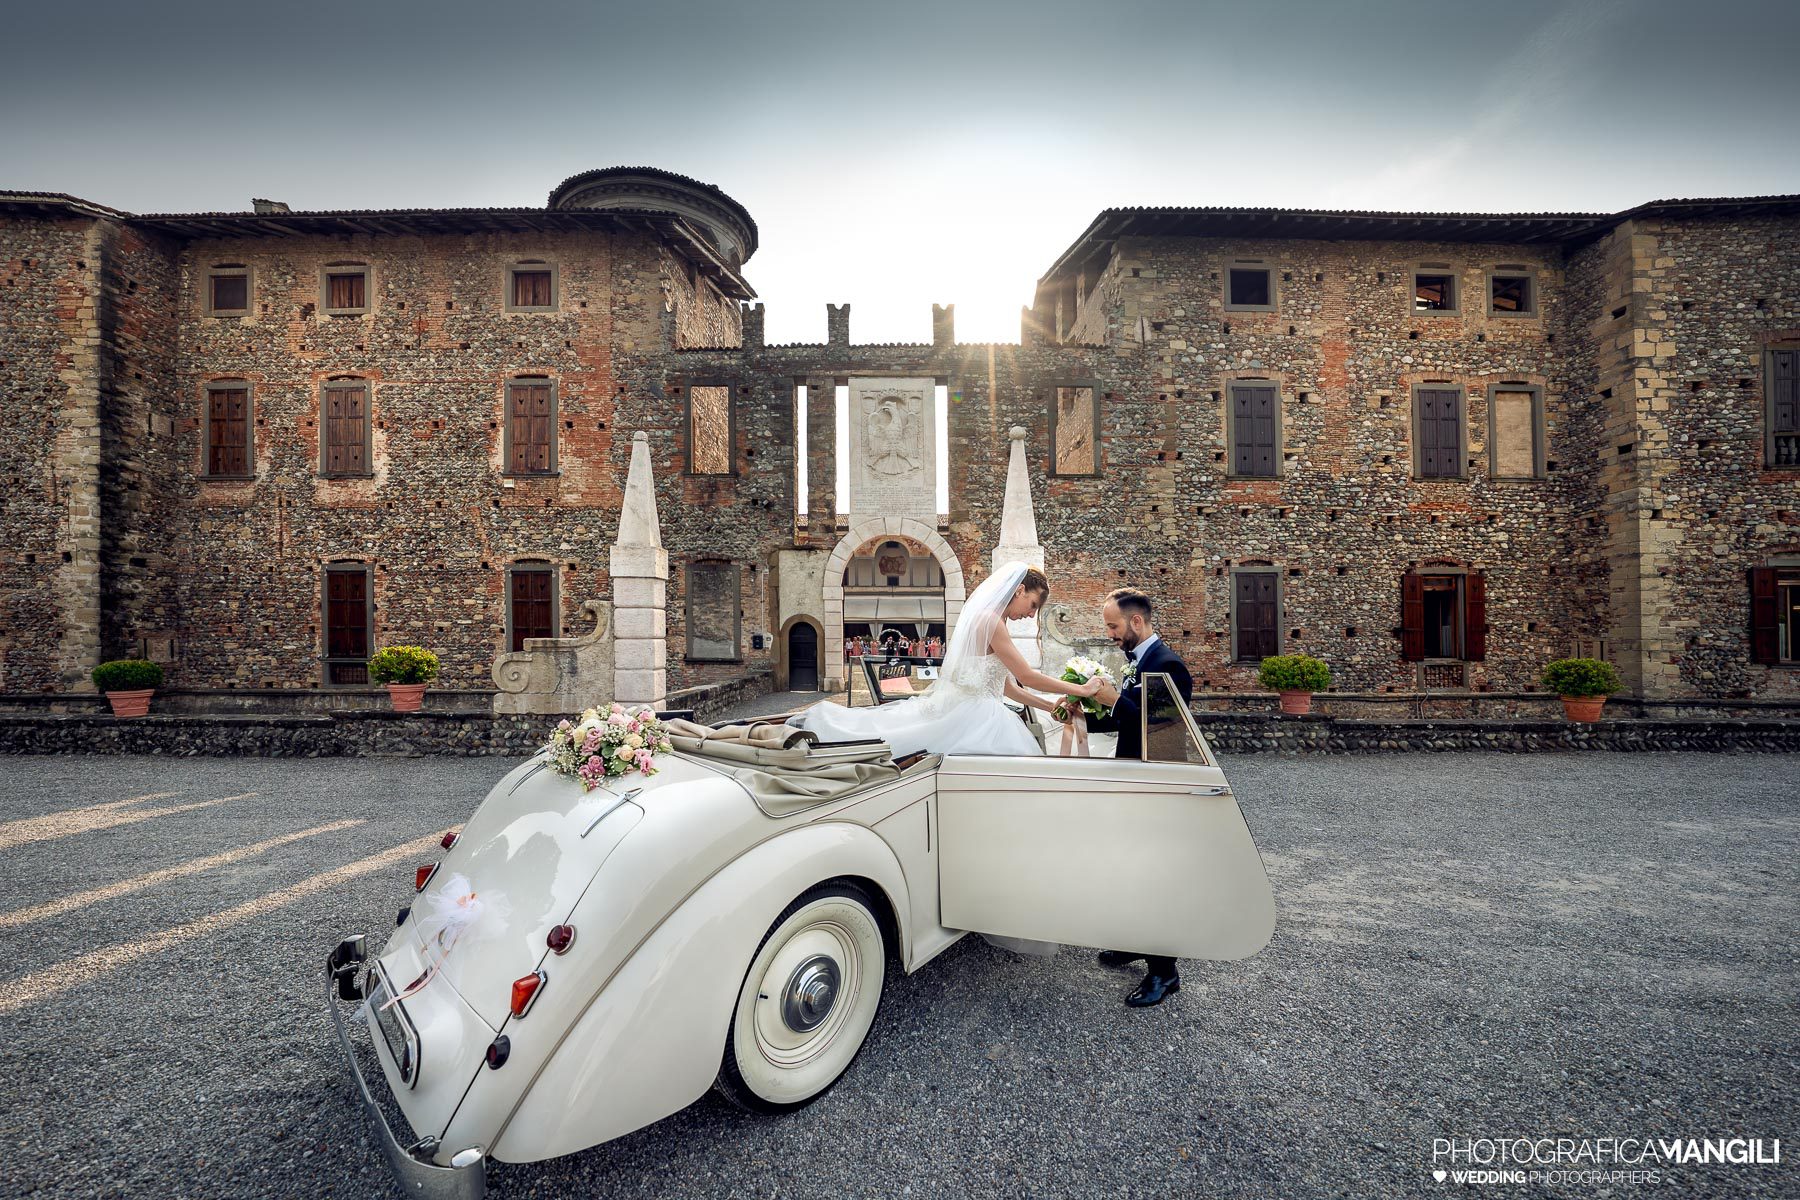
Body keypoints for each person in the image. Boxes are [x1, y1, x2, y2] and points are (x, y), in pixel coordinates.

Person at [789, 562, 1100, 758]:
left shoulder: (990, 621)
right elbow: (1026, 676)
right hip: (978, 714)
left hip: (974, 705)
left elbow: (1007, 687)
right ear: (1018, 591)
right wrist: (1082, 690)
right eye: (1032, 605)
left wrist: (1052, 706)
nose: (1030, 615)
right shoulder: (992, 621)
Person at [1067, 587, 1195, 1008]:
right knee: (1129, 867)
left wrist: (1112, 697)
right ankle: (1136, 942)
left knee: (1153, 875)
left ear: (1136, 623)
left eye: (1113, 625)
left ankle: (1164, 972)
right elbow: (1128, 722)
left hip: (1157, 783)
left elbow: (1157, 725)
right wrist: (1083, 712)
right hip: (1134, 779)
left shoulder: (1168, 665)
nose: (1110, 633)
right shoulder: (1139, 662)